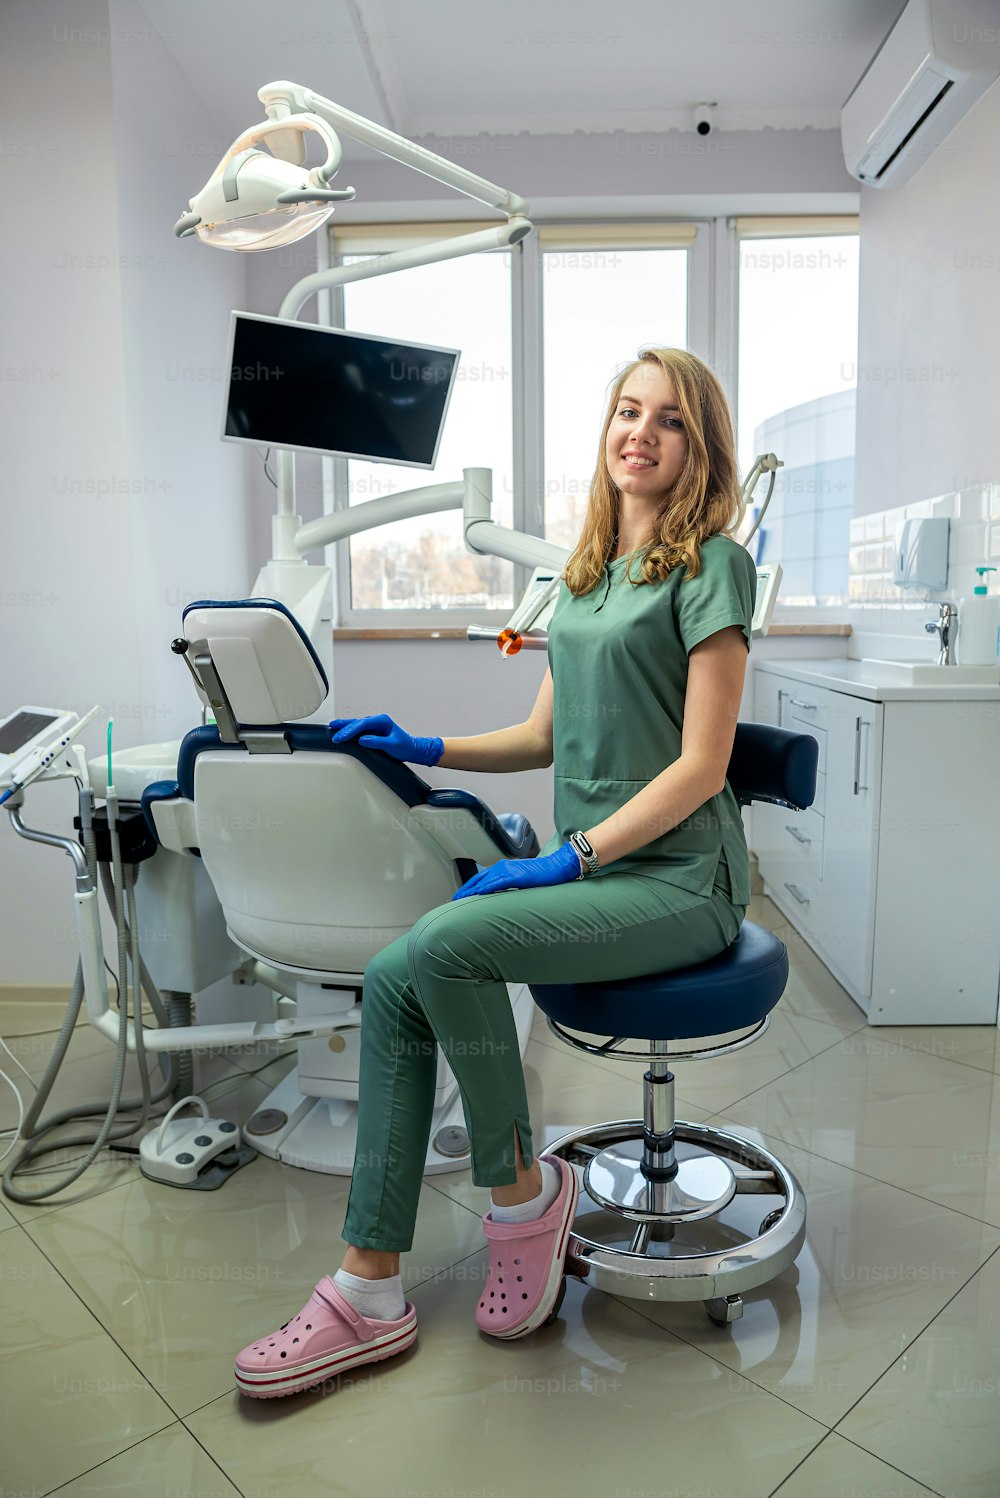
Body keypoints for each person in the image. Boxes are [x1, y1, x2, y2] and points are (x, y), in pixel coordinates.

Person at [234, 346, 757, 1399]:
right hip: (600, 873)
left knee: (444, 942)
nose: (638, 433)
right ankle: (368, 1285)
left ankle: (522, 1198)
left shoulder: (711, 566)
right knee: (393, 974)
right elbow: (539, 738)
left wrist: (571, 853)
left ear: (698, 448)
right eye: (625, 410)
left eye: (667, 420)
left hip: (678, 881)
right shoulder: (584, 576)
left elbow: (703, 763)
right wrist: (419, 746)